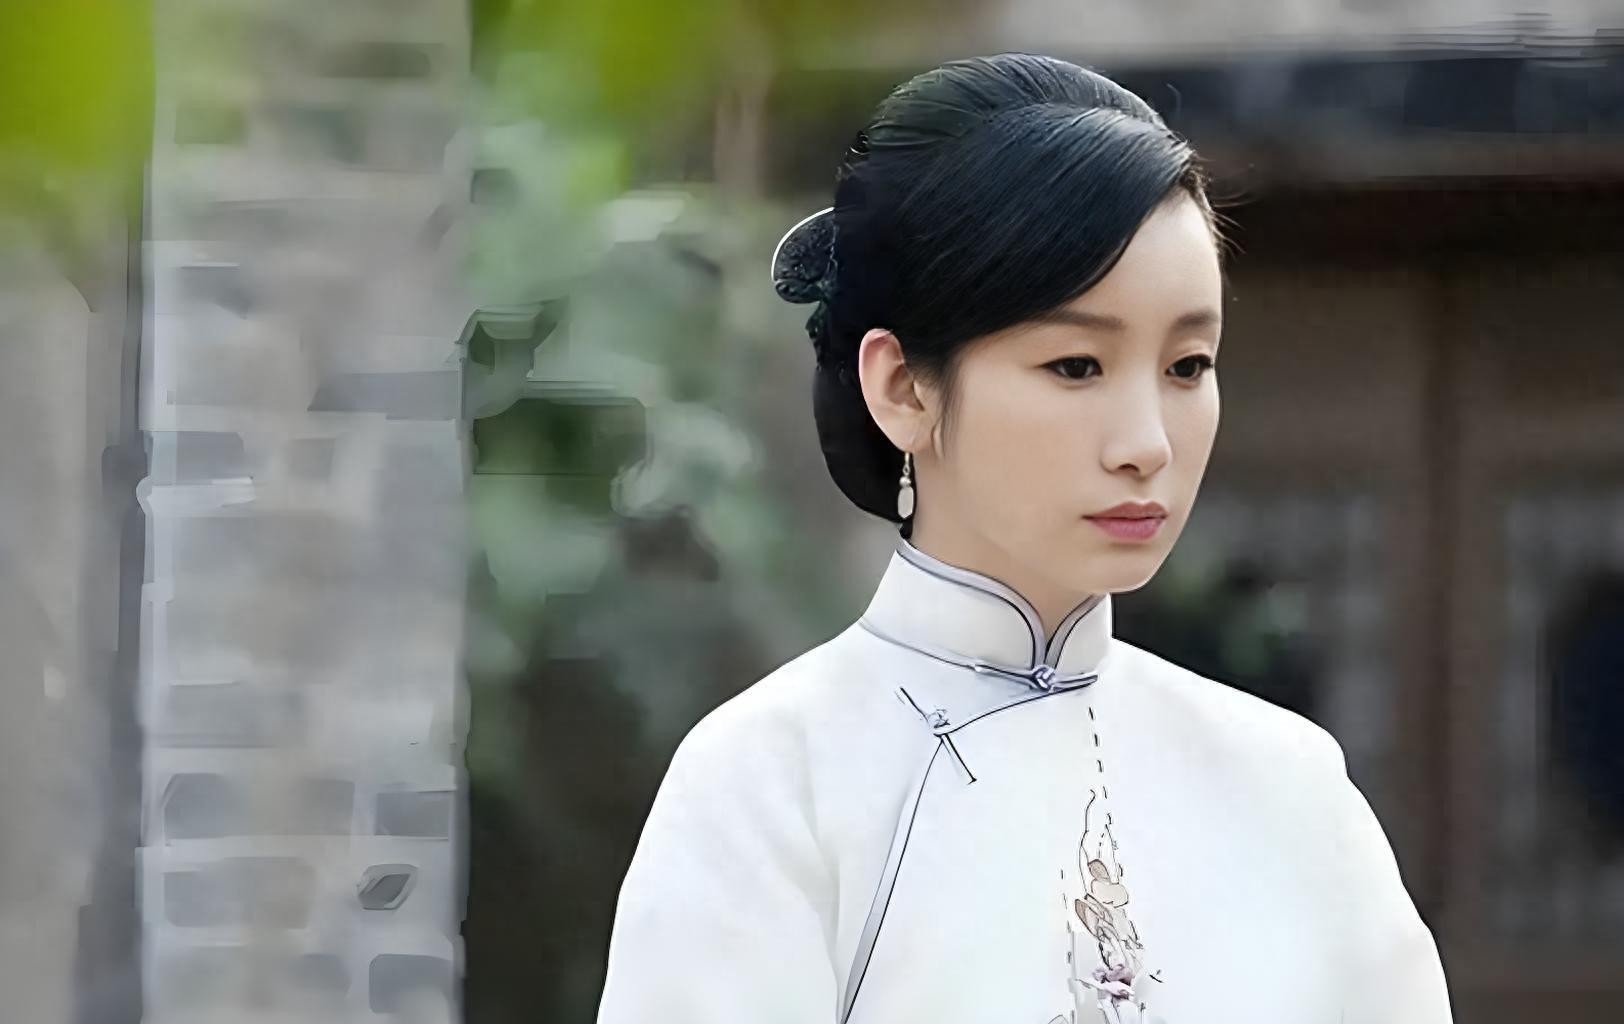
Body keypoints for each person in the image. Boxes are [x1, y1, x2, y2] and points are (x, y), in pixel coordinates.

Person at [595, 52, 1453, 1024]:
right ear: (903, 387)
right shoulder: (772, 784)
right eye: (1076, 364)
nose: (1146, 443)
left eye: (1187, 364)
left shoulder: (1291, 790)